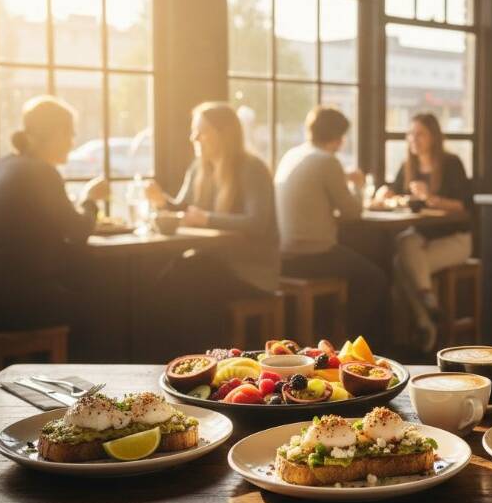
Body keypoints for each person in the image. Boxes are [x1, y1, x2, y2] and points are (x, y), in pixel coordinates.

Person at [0, 96, 109, 329]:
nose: (72, 142)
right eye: (70, 134)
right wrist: (90, 199)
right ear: (56, 133)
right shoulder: (41, 172)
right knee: (107, 299)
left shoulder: (0, 166)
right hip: (12, 303)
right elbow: (78, 231)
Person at [275, 106, 387, 345]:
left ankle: (332, 334)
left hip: (283, 255)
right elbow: (352, 212)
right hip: (312, 255)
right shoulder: (327, 161)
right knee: (374, 277)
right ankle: (352, 342)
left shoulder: (292, 155)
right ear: (337, 138)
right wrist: (357, 184)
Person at [145, 102, 280, 296]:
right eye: (193, 131)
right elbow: (183, 209)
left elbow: (257, 223)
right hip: (214, 260)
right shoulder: (199, 169)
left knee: (183, 276)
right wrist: (161, 202)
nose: (194, 138)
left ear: (225, 135)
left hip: (250, 271)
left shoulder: (252, 168)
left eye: (202, 131)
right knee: (164, 273)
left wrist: (207, 219)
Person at [374, 113, 473, 351]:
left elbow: (463, 205)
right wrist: (385, 195)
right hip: (422, 241)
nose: (413, 139)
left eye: (419, 134)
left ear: (433, 137)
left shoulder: (451, 164)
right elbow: (398, 197)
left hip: (455, 239)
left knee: (401, 264)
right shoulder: (408, 167)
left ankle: (424, 324)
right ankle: (430, 313)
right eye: (410, 134)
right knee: (405, 244)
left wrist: (429, 198)